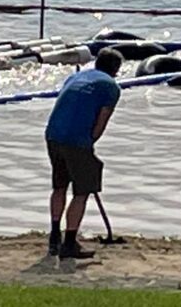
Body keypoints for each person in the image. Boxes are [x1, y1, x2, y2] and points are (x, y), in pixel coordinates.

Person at [45, 48, 124, 259]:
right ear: (116, 70)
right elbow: (101, 122)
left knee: (59, 186)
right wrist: (88, 144)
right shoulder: (111, 87)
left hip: (53, 134)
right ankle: (69, 244)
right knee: (82, 192)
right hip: (76, 139)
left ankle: (54, 236)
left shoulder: (76, 76)